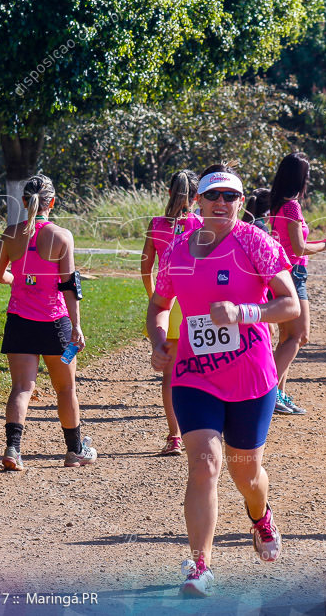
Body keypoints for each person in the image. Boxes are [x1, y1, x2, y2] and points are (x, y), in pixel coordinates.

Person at [147, 168, 300, 596]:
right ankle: (200, 566)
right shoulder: (177, 250)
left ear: (241, 202)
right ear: (197, 200)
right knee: (204, 464)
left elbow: (289, 305)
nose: (221, 202)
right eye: (213, 195)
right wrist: (159, 339)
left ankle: (260, 515)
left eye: (230, 196)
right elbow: (159, 304)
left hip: (250, 376)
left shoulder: (255, 241)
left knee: (245, 473)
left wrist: (244, 313)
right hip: (194, 376)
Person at [0, 173, 93, 471]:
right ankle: (75, 451)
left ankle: (13, 449)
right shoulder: (62, 237)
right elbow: (70, 286)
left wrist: (17, 281)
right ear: (53, 202)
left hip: (19, 322)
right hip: (55, 325)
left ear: (24, 202)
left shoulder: (11, 234)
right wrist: (77, 327)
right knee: (66, 388)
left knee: (22, 387)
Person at [270, 152, 326, 415]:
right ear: (300, 177)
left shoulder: (278, 204)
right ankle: (266, 391)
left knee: (287, 339)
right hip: (293, 275)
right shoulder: (291, 206)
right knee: (300, 336)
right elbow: (299, 247)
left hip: (283, 274)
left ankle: (277, 394)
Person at [140, 170, 202, 456]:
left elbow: (145, 266)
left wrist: (155, 296)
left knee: (170, 374)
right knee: (203, 369)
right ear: (197, 196)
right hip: (194, 303)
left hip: (167, 304)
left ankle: (174, 436)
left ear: (168, 193)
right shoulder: (202, 224)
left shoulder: (156, 225)